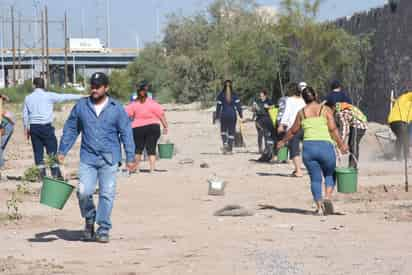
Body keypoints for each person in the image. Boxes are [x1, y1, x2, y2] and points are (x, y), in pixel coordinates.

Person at [58, 72, 137, 243]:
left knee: (107, 193)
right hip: (88, 157)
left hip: (110, 158)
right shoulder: (81, 106)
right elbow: (71, 129)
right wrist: (62, 150)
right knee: (83, 192)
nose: (94, 89)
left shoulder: (117, 108)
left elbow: (126, 133)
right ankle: (89, 219)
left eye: (98, 86)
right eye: (92, 86)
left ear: (106, 88)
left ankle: (103, 228)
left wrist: (131, 157)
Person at [277, 87, 348, 215]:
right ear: (315, 95)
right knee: (329, 175)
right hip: (325, 147)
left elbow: (293, 131)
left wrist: (282, 142)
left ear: (304, 99)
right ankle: (327, 197)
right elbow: (333, 129)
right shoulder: (325, 110)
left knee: (315, 179)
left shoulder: (301, 113)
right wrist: (342, 144)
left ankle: (319, 207)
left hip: (309, 148)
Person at [23, 77, 83, 179]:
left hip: (34, 128)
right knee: (52, 151)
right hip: (46, 127)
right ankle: (55, 174)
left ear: (34, 86)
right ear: (44, 85)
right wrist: (82, 96)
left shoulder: (28, 98)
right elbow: (65, 97)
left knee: (38, 151)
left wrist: (26, 129)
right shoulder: (49, 96)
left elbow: (25, 115)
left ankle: (41, 175)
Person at [125, 81, 169, 172]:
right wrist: (165, 126)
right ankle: (152, 169)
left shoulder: (133, 104)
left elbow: (125, 115)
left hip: (137, 128)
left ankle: (136, 169)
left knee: (138, 148)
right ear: (147, 94)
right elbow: (161, 114)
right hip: (153, 127)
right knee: (151, 148)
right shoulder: (153, 103)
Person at [278, 83, 306, 177]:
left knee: (294, 148)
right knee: (306, 147)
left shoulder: (289, 100)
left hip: (293, 127)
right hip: (305, 126)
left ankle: (298, 170)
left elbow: (287, 113)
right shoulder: (303, 100)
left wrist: (282, 125)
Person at [334, 102, 368, 168]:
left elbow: (345, 129)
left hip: (360, 125)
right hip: (356, 124)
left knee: (353, 144)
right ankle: (352, 164)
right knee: (351, 144)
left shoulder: (341, 113)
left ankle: (353, 166)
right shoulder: (339, 107)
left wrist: (341, 143)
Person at [216, 80, 243, 154]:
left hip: (224, 114)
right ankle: (230, 149)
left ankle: (225, 144)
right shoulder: (235, 95)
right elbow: (238, 106)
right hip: (232, 115)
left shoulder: (220, 95)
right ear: (231, 86)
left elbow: (218, 107)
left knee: (223, 131)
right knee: (231, 131)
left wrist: (217, 117)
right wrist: (241, 115)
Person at [388, 91, 412, 160]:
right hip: (398, 120)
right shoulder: (406, 97)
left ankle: (401, 155)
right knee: (404, 136)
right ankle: (402, 156)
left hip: (394, 121)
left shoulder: (403, 102)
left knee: (402, 137)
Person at [252, 89, 274, 154]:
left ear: (265, 95)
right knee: (260, 134)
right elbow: (253, 110)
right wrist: (254, 108)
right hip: (259, 119)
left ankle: (266, 148)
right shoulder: (257, 101)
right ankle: (260, 148)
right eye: (260, 96)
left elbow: (274, 106)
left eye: (262, 96)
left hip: (266, 119)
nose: (261, 97)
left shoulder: (268, 100)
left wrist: (269, 107)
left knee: (266, 134)